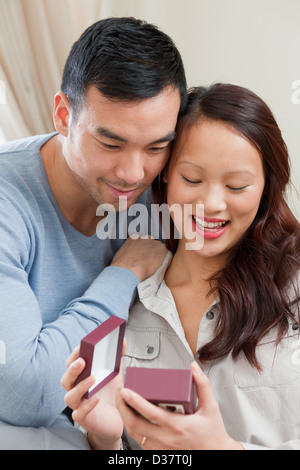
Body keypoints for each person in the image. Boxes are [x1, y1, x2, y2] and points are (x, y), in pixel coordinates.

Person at [62, 83, 300, 450]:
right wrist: (105, 439)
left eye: (237, 186)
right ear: (166, 174)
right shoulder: (127, 307)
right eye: (192, 179)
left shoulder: (293, 288)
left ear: (267, 187)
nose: (211, 204)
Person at [0, 17, 187, 449]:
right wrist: (122, 274)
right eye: (111, 143)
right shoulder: (10, 201)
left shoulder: (168, 193)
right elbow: (25, 394)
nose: (133, 173)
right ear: (64, 115)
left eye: (157, 147)